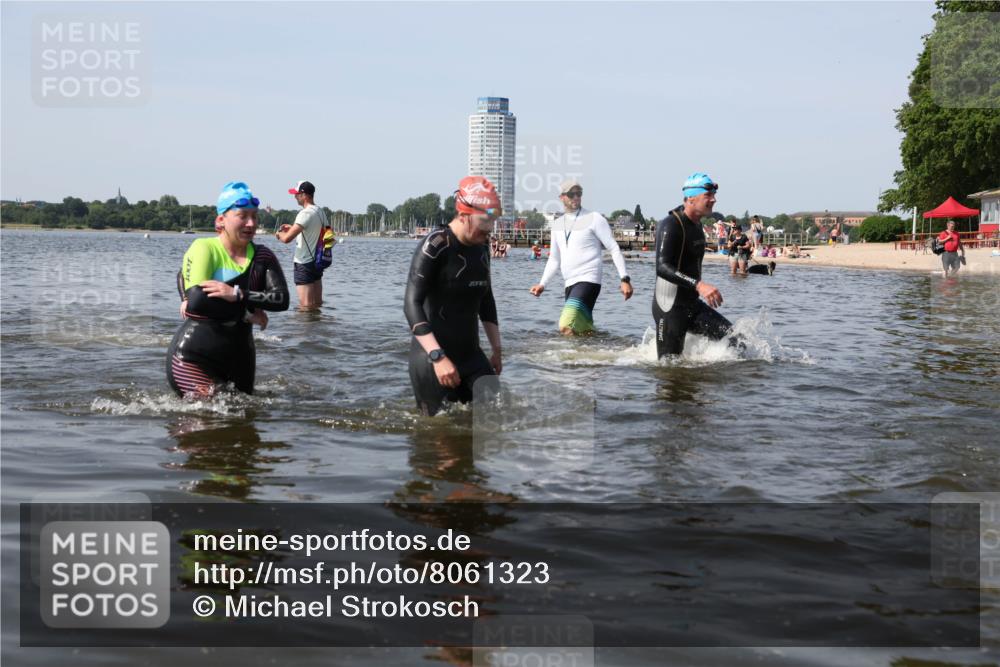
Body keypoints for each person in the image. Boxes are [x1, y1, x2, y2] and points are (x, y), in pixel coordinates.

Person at [167, 182, 290, 397]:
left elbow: (281, 299)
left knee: (243, 413)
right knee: (211, 415)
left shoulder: (263, 257)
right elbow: (197, 303)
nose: (251, 223)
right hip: (193, 357)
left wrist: (237, 295)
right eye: (242, 216)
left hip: (241, 357)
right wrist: (247, 312)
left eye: (254, 216)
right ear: (221, 220)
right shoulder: (205, 248)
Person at [404, 176, 503, 416]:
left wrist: (497, 348)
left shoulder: (482, 248)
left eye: (493, 221)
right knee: (441, 442)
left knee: (491, 429)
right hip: (432, 361)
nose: (490, 228)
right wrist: (438, 357)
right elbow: (411, 304)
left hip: (472, 357)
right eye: (485, 221)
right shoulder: (435, 245)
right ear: (464, 214)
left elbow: (486, 300)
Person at [529, 179, 632, 335]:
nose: (576, 197)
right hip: (569, 282)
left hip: (589, 279)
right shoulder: (557, 224)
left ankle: (569, 357)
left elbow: (613, 248)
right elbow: (554, 259)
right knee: (582, 331)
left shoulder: (594, 218)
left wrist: (624, 279)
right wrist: (542, 284)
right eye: (572, 194)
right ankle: (593, 353)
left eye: (579, 193)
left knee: (566, 324)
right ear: (562, 197)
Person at [652, 172, 736, 358]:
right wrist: (699, 285)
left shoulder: (697, 225)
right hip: (669, 307)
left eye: (714, 195)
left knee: (735, 341)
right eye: (708, 196)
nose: (714, 200)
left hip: (692, 304)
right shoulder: (670, 225)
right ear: (690, 198)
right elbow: (662, 266)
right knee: (669, 370)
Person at [276, 180, 331, 309]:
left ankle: (305, 329)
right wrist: (293, 227)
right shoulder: (320, 211)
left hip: (304, 263)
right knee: (317, 304)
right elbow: (318, 231)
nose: (295, 197)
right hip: (317, 262)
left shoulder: (305, 213)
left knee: (306, 307)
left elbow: (286, 239)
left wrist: (279, 234)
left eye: (296, 194)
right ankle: (317, 328)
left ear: (304, 195)